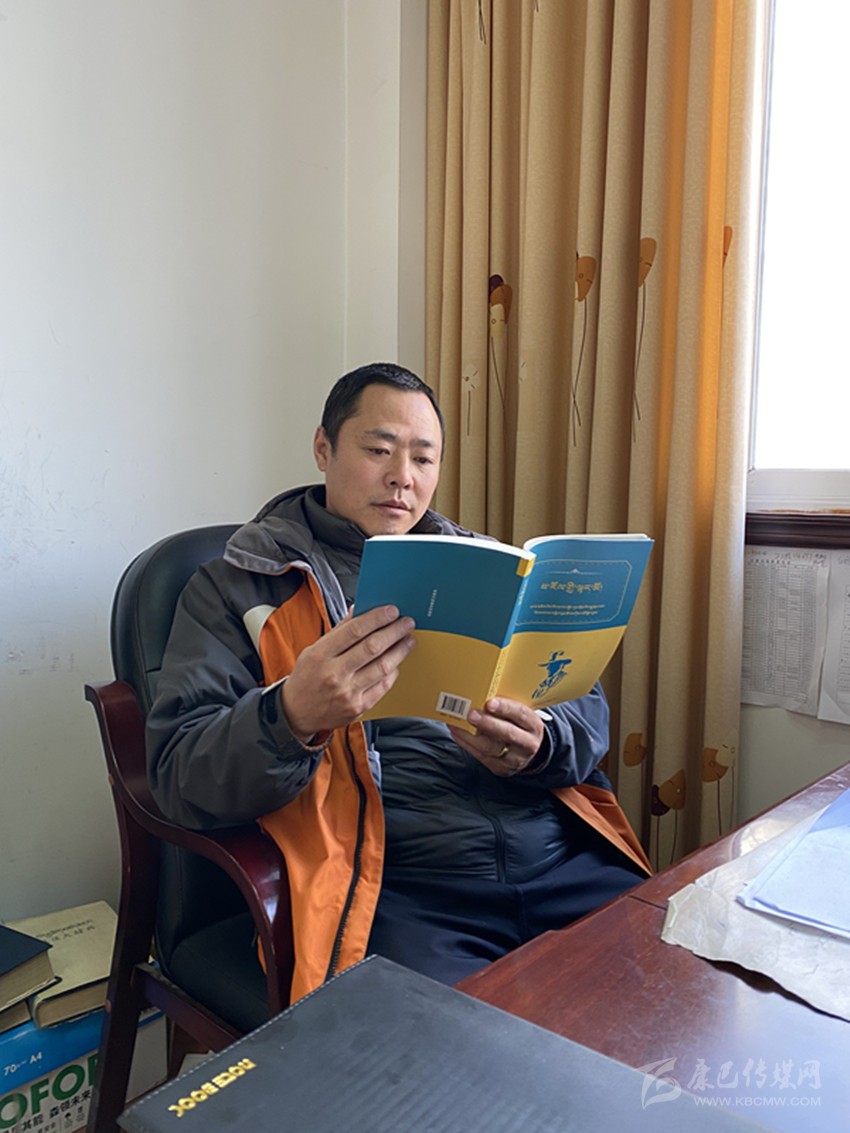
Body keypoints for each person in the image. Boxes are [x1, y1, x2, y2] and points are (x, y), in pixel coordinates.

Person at [147, 362, 651, 1003]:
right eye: (379, 450)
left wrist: (541, 742)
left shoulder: (485, 565)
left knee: (675, 998)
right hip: (401, 888)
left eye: (423, 458)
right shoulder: (243, 584)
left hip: (560, 857)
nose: (402, 477)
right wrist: (290, 715)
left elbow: (584, 707)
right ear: (324, 448)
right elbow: (178, 775)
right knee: (455, 1057)